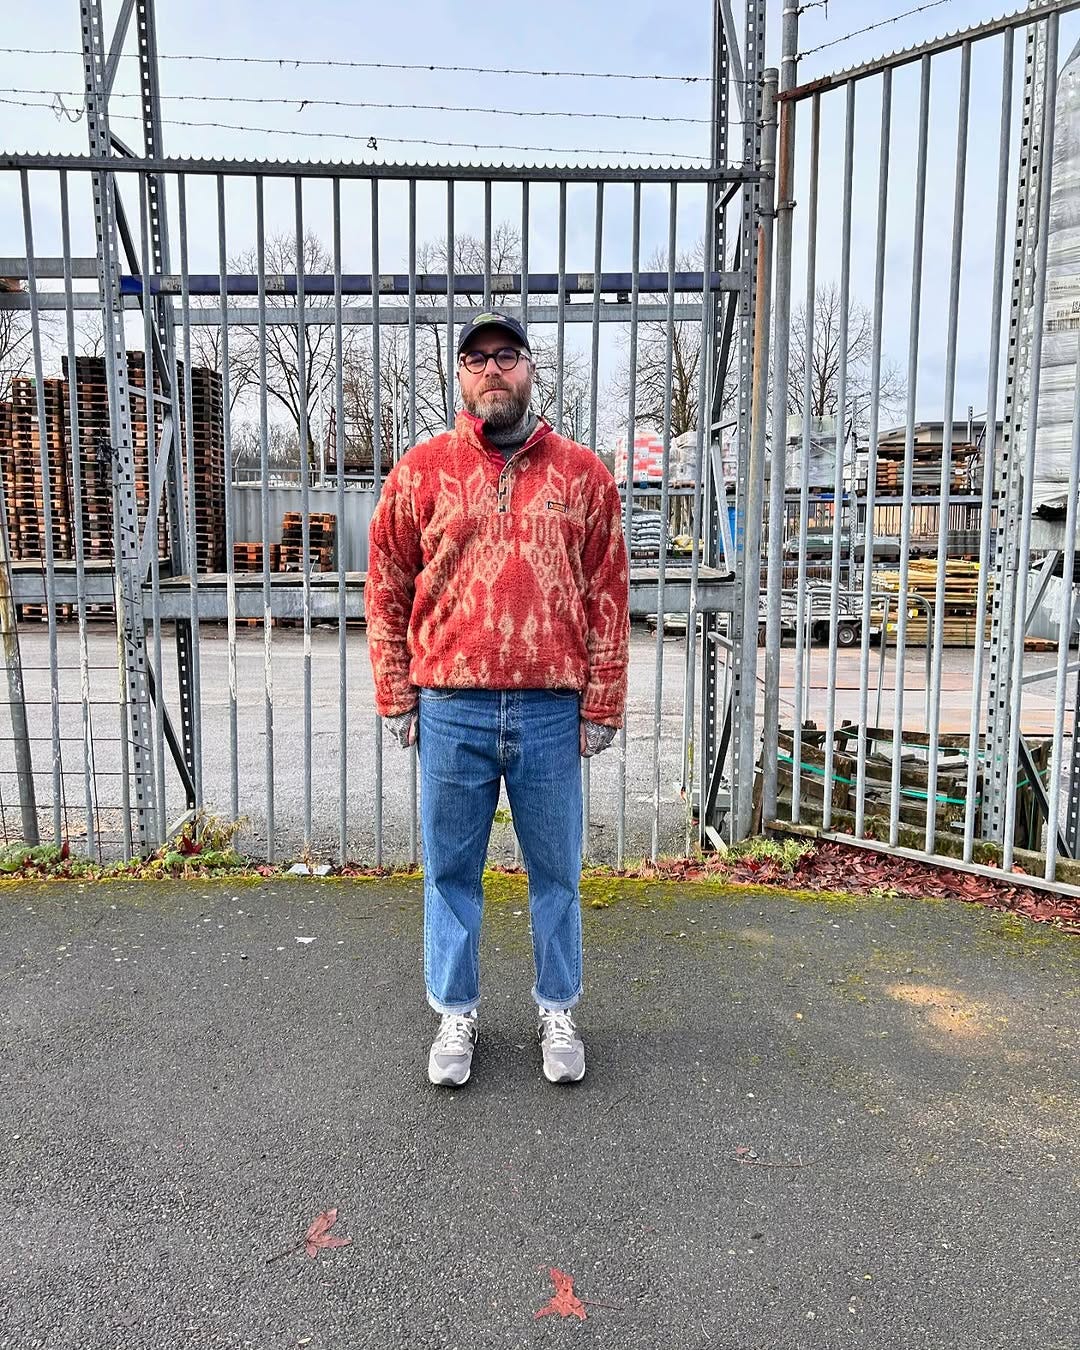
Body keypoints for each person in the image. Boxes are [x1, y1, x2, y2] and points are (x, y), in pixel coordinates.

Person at [364, 310, 630, 1088]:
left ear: (529, 370)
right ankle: (456, 1013)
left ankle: (558, 1009)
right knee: (452, 871)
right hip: (452, 706)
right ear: (460, 375)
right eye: (476, 358)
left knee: (558, 873)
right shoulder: (421, 472)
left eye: (505, 356)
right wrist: (396, 692)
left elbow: (607, 593)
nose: (492, 370)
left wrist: (602, 701)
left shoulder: (583, 476)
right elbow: (386, 588)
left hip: (551, 710)